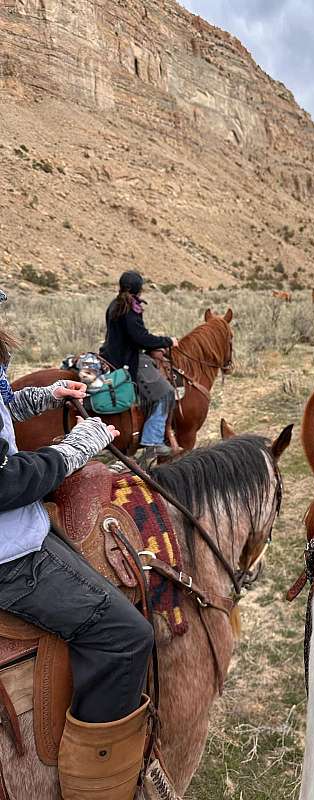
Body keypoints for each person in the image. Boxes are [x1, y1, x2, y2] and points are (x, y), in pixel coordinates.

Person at [0, 287, 154, 799]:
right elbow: (3, 482)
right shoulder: (128, 313)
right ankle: (97, 786)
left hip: (24, 531)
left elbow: (2, 405)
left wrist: (44, 397)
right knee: (128, 636)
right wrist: (72, 449)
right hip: (9, 557)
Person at [100, 270, 178, 459]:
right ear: (138, 288)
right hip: (126, 360)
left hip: (113, 354)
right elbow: (140, 337)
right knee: (166, 393)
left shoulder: (116, 303)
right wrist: (167, 341)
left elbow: (133, 336)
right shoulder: (129, 308)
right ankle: (153, 442)